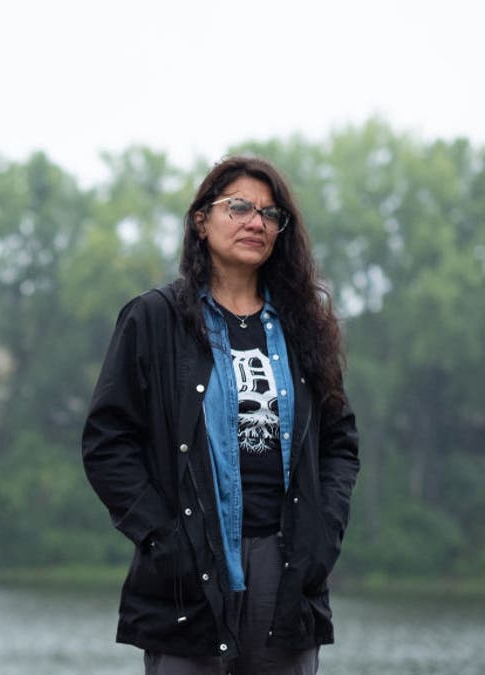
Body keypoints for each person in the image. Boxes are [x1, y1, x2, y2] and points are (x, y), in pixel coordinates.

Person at [81, 156, 360, 674]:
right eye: (239, 207)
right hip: (188, 575)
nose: (256, 222)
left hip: (287, 573)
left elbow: (339, 441)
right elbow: (107, 442)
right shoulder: (154, 319)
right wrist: (163, 539)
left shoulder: (305, 327)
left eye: (271, 214)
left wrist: (324, 534)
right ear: (200, 220)